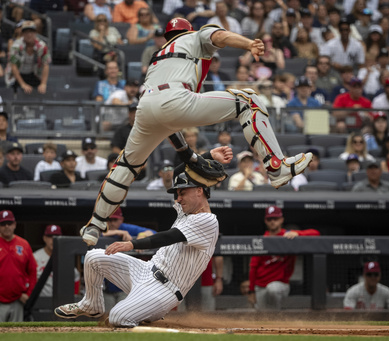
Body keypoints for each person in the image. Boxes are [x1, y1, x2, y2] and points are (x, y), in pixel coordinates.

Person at [79, 17, 312, 247]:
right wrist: (248, 43)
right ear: (188, 31)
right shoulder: (194, 36)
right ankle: (276, 166)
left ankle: (95, 224)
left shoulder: (158, 56)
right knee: (248, 100)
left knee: (127, 166)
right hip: (176, 97)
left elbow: (167, 122)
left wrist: (188, 155)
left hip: (146, 106)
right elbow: (219, 36)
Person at [55, 171, 218, 327]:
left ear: (199, 191)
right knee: (93, 257)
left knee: (117, 317)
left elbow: (168, 237)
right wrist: (208, 155)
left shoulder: (208, 221)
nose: (178, 198)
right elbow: (180, 170)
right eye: (178, 193)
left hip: (165, 289)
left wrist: (131, 244)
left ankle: (147, 316)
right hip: (145, 270)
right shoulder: (186, 212)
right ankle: (91, 305)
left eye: (183, 193)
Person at [248, 205, 320, 310]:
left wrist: (298, 234)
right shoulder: (262, 240)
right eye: (269, 219)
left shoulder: (288, 236)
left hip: (280, 285)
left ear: (281, 220)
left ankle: (277, 317)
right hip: (260, 286)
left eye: (275, 219)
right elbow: (253, 267)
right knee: (261, 317)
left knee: (272, 291)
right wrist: (251, 290)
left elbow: (316, 233)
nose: (273, 221)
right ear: (265, 221)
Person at [33, 225, 80, 297]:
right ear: (44, 238)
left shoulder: (65, 256)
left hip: (61, 302)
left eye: (56, 237)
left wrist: (74, 296)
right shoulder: (35, 257)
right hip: (40, 302)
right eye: (50, 237)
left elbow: (76, 277)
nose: (53, 239)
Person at [8, 21, 51, 95]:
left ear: (35, 33)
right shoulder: (16, 46)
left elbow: (46, 64)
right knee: (13, 89)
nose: (29, 35)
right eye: (26, 32)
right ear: (22, 34)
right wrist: (23, 84)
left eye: (31, 32)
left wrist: (43, 83)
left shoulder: (42, 46)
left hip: (34, 73)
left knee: (41, 90)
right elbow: (13, 66)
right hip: (18, 74)